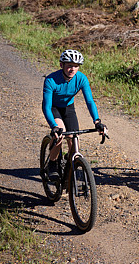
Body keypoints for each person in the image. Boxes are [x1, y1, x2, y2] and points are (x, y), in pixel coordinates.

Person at [42, 49, 106, 181]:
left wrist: (97, 121)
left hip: (68, 108)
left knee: (74, 139)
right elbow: (46, 106)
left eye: (76, 66)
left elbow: (89, 101)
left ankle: (70, 164)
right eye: (69, 65)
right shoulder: (51, 80)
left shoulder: (81, 78)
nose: (73, 69)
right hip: (54, 108)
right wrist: (53, 126)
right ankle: (52, 164)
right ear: (62, 65)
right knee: (60, 134)